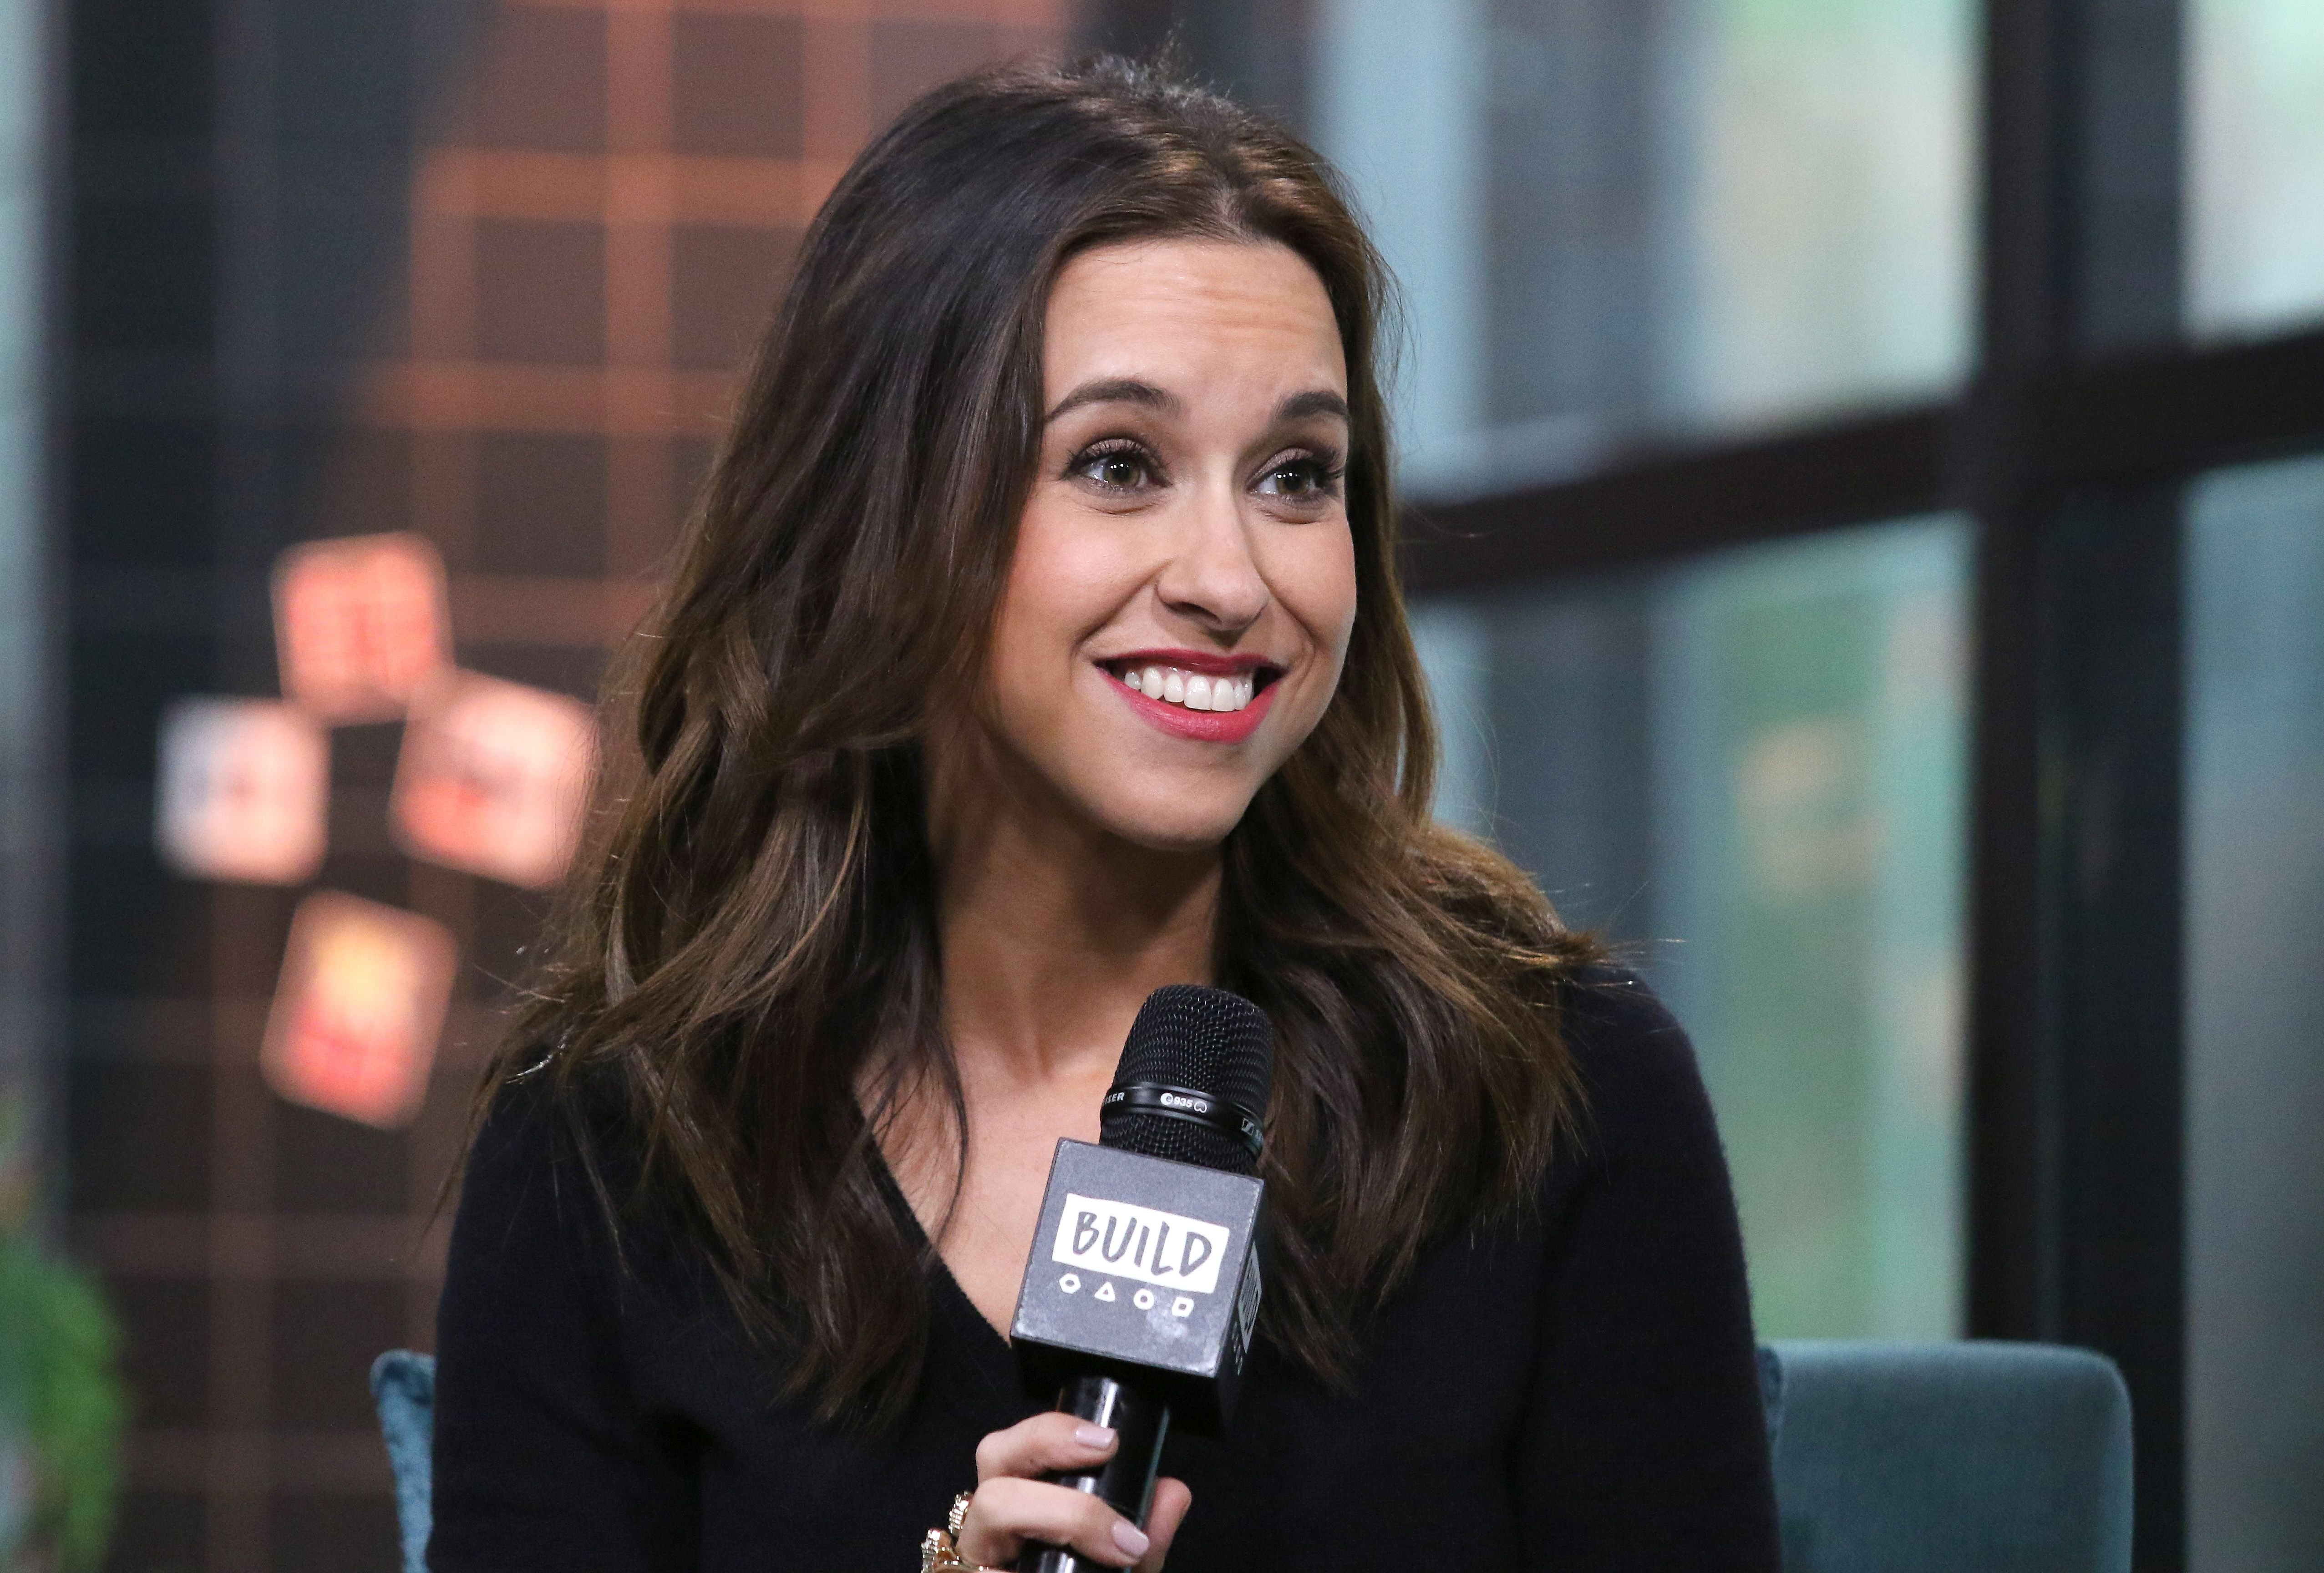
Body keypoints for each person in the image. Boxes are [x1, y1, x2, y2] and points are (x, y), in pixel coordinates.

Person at [428, 56, 1779, 1573]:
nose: (1228, 578)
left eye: (1295, 474)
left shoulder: (1554, 1084)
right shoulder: (618, 1138)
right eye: (1118, 465)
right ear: (886, 515)